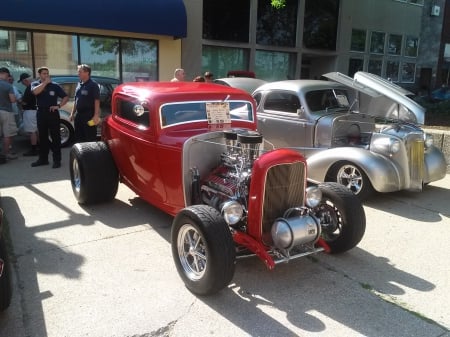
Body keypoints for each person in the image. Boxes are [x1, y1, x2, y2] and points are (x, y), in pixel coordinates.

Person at [31, 66, 69, 168]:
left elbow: (65, 97)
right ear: (39, 75)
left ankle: (57, 160)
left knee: (55, 137)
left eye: (47, 73)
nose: (46, 75)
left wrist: (59, 106)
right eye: (44, 73)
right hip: (41, 113)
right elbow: (35, 92)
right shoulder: (35, 84)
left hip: (52, 113)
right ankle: (43, 159)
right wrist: (45, 83)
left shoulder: (55, 86)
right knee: (42, 137)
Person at [69, 64, 100, 142]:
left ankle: (91, 154)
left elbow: (97, 100)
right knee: (79, 137)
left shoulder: (93, 85)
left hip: (89, 116)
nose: (78, 73)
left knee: (90, 137)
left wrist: (96, 115)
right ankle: (82, 154)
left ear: (87, 73)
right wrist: (72, 113)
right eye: (78, 72)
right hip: (79, 116)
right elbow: (76, 100)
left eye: (80, 72)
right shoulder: (79, 84)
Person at [18, 73, 39, 156]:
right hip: (36, 110)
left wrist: (19, 100)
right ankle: (41, 147)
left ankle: (34, 149)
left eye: (22, 82)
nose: (22, 84)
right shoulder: (36, 85)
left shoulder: (29, 88)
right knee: (37, 130)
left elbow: (24, 101)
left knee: (32, 132)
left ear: (25, 80)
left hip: (30, 111)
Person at [0, 67, 18, 162]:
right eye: (7, 75)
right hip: (6, 112)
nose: (8, 77)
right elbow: (13, 100)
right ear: (4, 74)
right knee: (7, 134)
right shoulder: (8, 86)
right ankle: (5, 154)